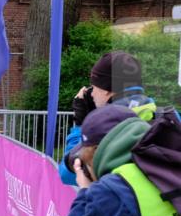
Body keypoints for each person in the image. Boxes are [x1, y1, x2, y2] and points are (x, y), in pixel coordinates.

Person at [59, 51, 157, 185]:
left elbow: (67, 173)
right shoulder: (168, 116)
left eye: (93, 87)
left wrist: (81, 125)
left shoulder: (107, 128)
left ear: (107, 90)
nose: (91, 94)